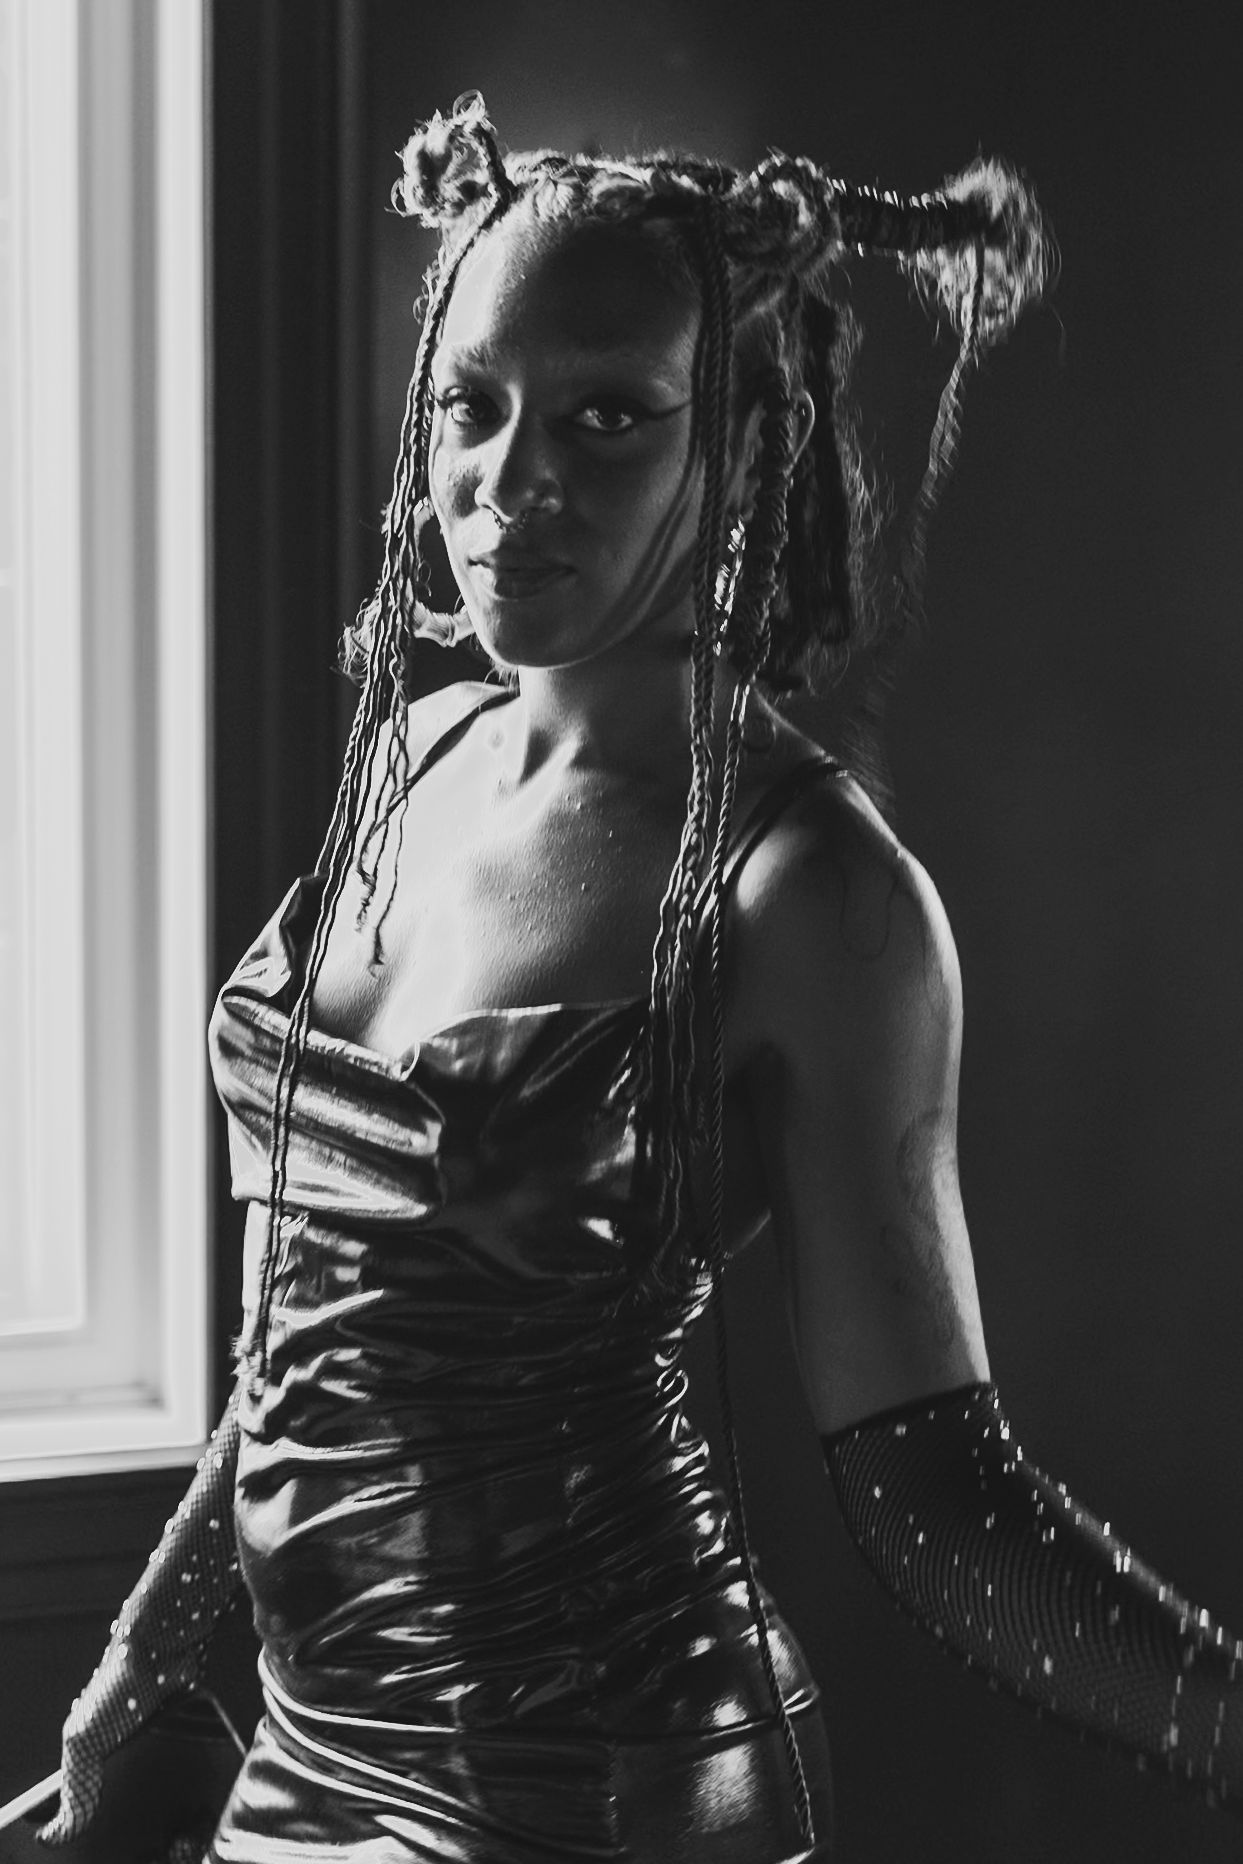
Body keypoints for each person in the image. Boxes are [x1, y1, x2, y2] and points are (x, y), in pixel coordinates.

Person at [37, 94, 1243, 1863]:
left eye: (608, 416)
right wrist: (139, 1670)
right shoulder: (415, 760)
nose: (512, 482)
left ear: (742, 448)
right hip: (306, 1758)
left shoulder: (812, 893)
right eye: (473, 406)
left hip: (592, 1787)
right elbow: (310, 1330)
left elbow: (943, 1506)